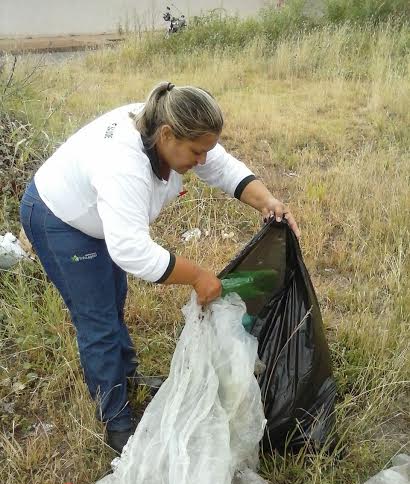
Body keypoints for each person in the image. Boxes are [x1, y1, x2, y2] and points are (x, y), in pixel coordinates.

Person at [20, 82, 300, 454]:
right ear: (167, 135)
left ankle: (128, 377)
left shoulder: (168, 126)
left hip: (99, 215)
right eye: (196, 152)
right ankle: (117, 423)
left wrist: (267, 200)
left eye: (206, 150)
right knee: (98, 320)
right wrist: (199, 276)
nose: (202, 160)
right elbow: (132, 251)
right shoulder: (124, 166)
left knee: (113, 298)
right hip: (61, 219)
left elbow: (221, 166)